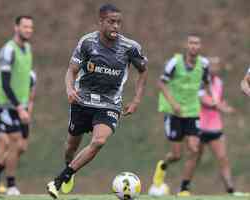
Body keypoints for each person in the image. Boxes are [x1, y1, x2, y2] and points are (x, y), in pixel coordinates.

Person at [47, 3, 148, 199]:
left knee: (99, 140)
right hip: (82, 100)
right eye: (111, 22)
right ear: (101, 22)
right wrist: (69, 89)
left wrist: (136, 99)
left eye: (118, 22)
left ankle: (61, 179)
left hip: (110, 103)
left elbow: (143, 71)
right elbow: (71, 70)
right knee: (70, 147)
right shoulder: (87, 43)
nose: (116, 26)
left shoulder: (130, 48)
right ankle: (70, 168)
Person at [152, 33, 210, 196]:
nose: (194, 46)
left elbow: (205, 84)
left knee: (194, 149)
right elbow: (161, 83)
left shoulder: (204, 64)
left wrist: (210, 99)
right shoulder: (174, 62)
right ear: (186, 45)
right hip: (174, 112)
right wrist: (174, 103)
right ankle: (163, 165)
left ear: (200, 46)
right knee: (177, 155)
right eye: (191, 43)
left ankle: (184, 188)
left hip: (192, 111)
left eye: (197, 43)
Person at [0, 15, 35, 196]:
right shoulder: (8, 50)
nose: (28, 30)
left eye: (30, 27)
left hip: (19, 107)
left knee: (20, 147)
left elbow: (25, 81)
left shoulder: (28, 49)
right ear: (16, 28)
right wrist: (19, 108)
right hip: (6, 106)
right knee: (13, 142)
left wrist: (26, 106)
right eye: (25, 26)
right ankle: (10, 184)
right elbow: (5, 85)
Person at [199, 57, 250, 196]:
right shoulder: (201, 81)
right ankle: (183, 188)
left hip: (215, 126)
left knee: (223, 157)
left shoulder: (219, 82)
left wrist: (224, 106)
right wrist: (221, 107)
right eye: (212, 65)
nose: (215, 67)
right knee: (194, 157)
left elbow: (218, 100)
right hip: (199, 125)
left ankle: (231, 190)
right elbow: (203, 99)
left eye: (217, 65)